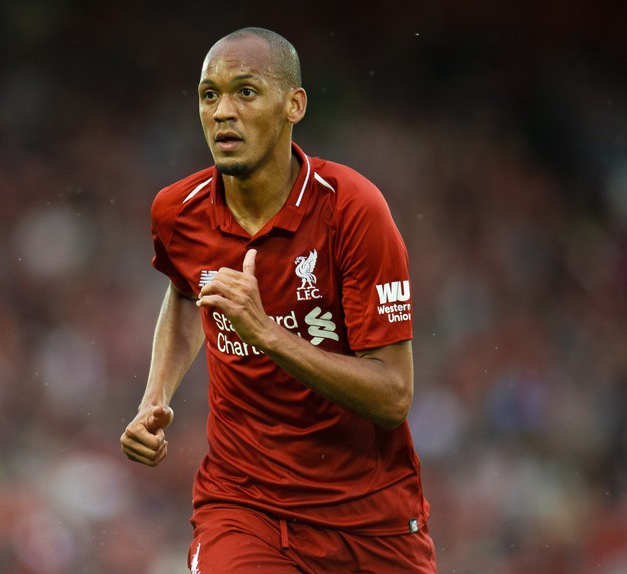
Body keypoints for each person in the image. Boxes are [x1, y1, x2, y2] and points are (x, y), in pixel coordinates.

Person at [120, 27, 436, 573]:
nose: (222, 111)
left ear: (294, 105)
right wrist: (154, 397)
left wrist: (265, 333)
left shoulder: (354, 212)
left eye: (245, 91)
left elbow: (393, 395)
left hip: (370, 520)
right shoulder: (178, 213)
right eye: (209, 94)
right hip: (244, 507)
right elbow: (184, 292)